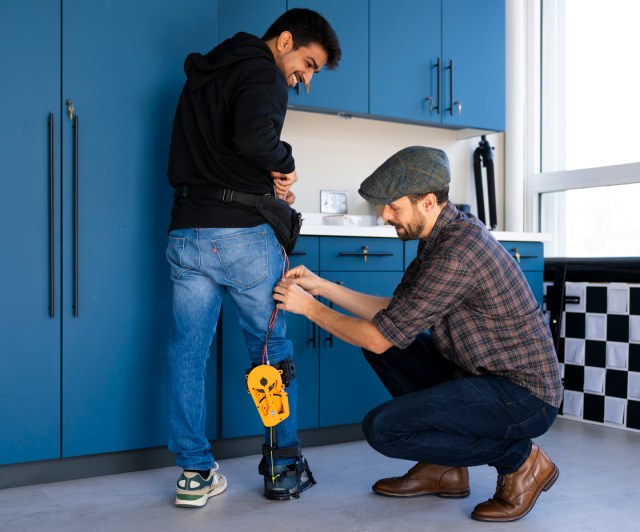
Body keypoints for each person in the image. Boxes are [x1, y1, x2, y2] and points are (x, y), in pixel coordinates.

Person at [273, 146, 563, 522]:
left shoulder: (458, 252)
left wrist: (309, 309)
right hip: (481, 376)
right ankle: (444, 469)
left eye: (393, 206)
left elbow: (379, 333)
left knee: (384, 428)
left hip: (524, 395)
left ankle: (522, 461)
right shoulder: (438, 236)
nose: (384, 215)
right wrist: (321, 286)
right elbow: (395, 312)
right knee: (386, 349)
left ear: (427, 202)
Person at [165, 8, 341, 508]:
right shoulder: (264, 71)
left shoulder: (205, 74)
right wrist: (284, 164)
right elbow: (252, 139)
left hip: (186, 233)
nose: (305, 80)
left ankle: (195, 473)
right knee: (271, 353)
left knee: (187, 356)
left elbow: (222, 147)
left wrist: (267, 169)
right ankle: (283, 467)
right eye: (307, 64)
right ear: (284, 40)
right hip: (241, 235)